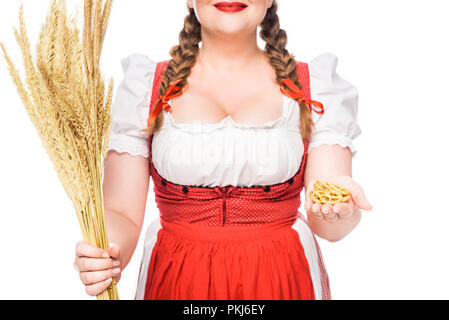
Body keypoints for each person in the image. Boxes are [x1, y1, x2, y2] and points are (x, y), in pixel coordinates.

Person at [73, 0, 372, 300]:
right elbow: (122, 212)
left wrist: (340, 210)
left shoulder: (314, 86)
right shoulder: (146, 87)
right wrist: (105, 252)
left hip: (281, 280)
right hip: (178, 281)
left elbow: (328, 220)